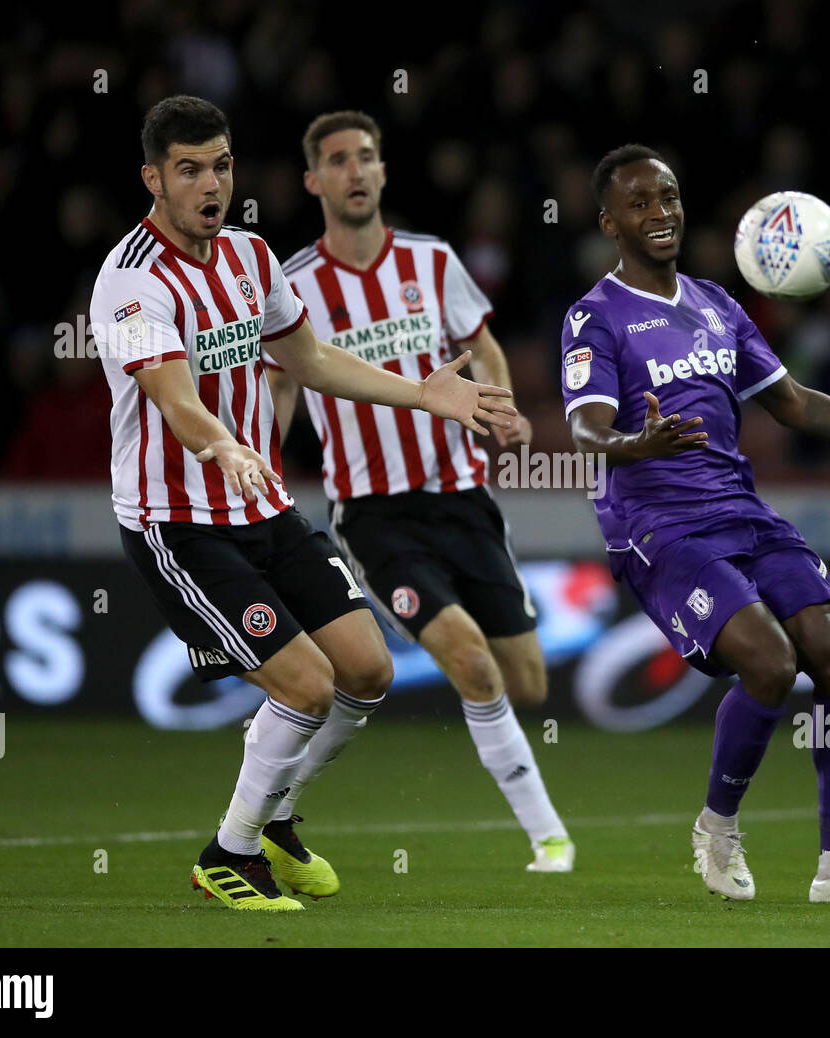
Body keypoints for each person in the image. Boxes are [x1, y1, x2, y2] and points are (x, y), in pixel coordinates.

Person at [89, 95, 514, 910]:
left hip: (264, 507)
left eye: (221, 165)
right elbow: (174, 398)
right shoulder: (132, 283)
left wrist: (425, 395)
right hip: (180, 522)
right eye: (189, 170)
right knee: (306, 685)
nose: (210, 184)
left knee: (368, 669)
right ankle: (228, 852)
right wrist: (220, 443)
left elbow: (310, 359)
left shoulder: (250, 257)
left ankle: (274, 817)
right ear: (153, 178)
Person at [562, 145, 830, 903]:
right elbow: (587, 431)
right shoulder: (594, 317)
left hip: (741, 509)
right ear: (610, 222)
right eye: (639, 203)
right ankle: (718, 827)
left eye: (667, 196)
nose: (660, 212)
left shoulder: (715, 304)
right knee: (768, 663)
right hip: (659, 527)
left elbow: (793, 403)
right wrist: (640, 442)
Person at [265, 111, 573, 872]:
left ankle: (274, 795)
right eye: (337, 161)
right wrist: (260, 463)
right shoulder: (293, 282)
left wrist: (499, 407)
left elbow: (485, 346)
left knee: (525, 679)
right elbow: (279, 384)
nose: (356, 171)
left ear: (383, 171)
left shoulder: (432, 263)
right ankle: (550, 841)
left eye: (366, 157)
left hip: (463, 498)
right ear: (314, 181)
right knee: (469, 659)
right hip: (374, 514)